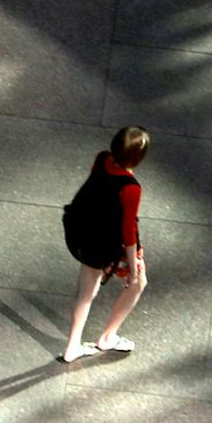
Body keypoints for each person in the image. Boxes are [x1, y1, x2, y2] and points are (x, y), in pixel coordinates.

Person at [61, 126, 150, 363]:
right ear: (138, 159)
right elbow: (128, 232)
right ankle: (108, 337)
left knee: (86, 293)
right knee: (139, 283)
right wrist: (132, 269)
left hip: (85, 235)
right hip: (105, 245)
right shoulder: (131, 188)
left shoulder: (102, 159)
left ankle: (72, 347)